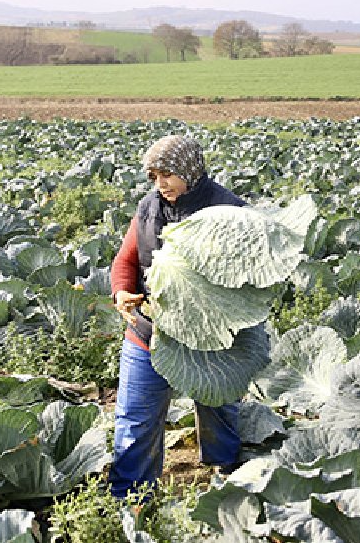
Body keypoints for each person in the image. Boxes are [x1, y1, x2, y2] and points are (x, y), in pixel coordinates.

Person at [108, 134, 245, 499]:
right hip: (149, 331)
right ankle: (131, 499)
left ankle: (229, 484)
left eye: (167, 174)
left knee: (219, 409)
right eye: (153, 176)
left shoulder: (229, 211)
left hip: (211, 337)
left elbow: (248, 278)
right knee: (135, 420)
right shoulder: (148, 207)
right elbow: (126, 259)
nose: (160, 184)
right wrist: (122, 292)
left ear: (190, 170)